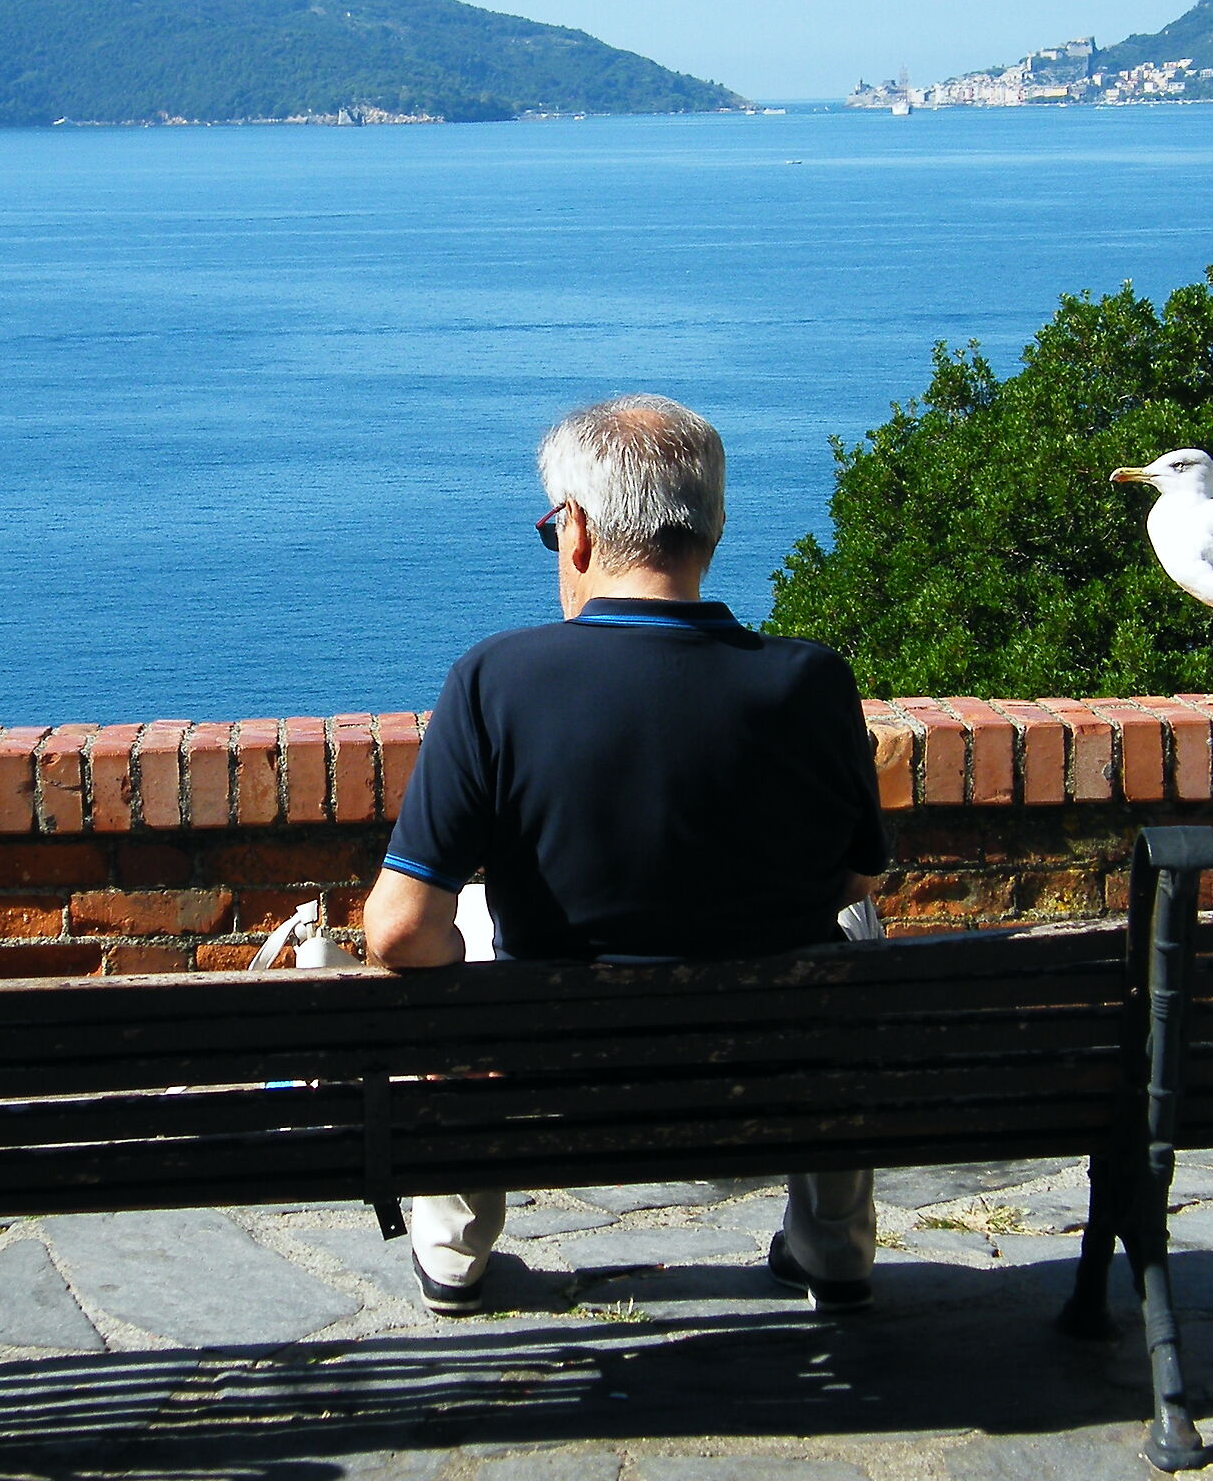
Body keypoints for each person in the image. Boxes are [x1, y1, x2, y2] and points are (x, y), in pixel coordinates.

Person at [362, 393, 893, 1316]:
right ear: (714, 528)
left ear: (576, 532)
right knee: (847, 928)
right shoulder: (812, 683)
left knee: (464, 925)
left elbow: (398, 932)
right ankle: (832, 1243)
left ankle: (452, 1252)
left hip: (565, 1071)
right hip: (761, 1062)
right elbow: (853, 878)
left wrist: (482, 981)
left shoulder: (495, 681)